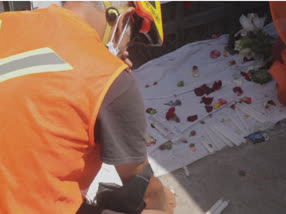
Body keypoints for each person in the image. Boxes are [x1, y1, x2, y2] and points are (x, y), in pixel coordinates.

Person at [0, 1, 175, 214]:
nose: (127, 51)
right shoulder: (108, 78)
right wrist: (164, 201)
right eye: (134, 38)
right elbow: (145, 188)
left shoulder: (6, 22)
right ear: (123, 19)